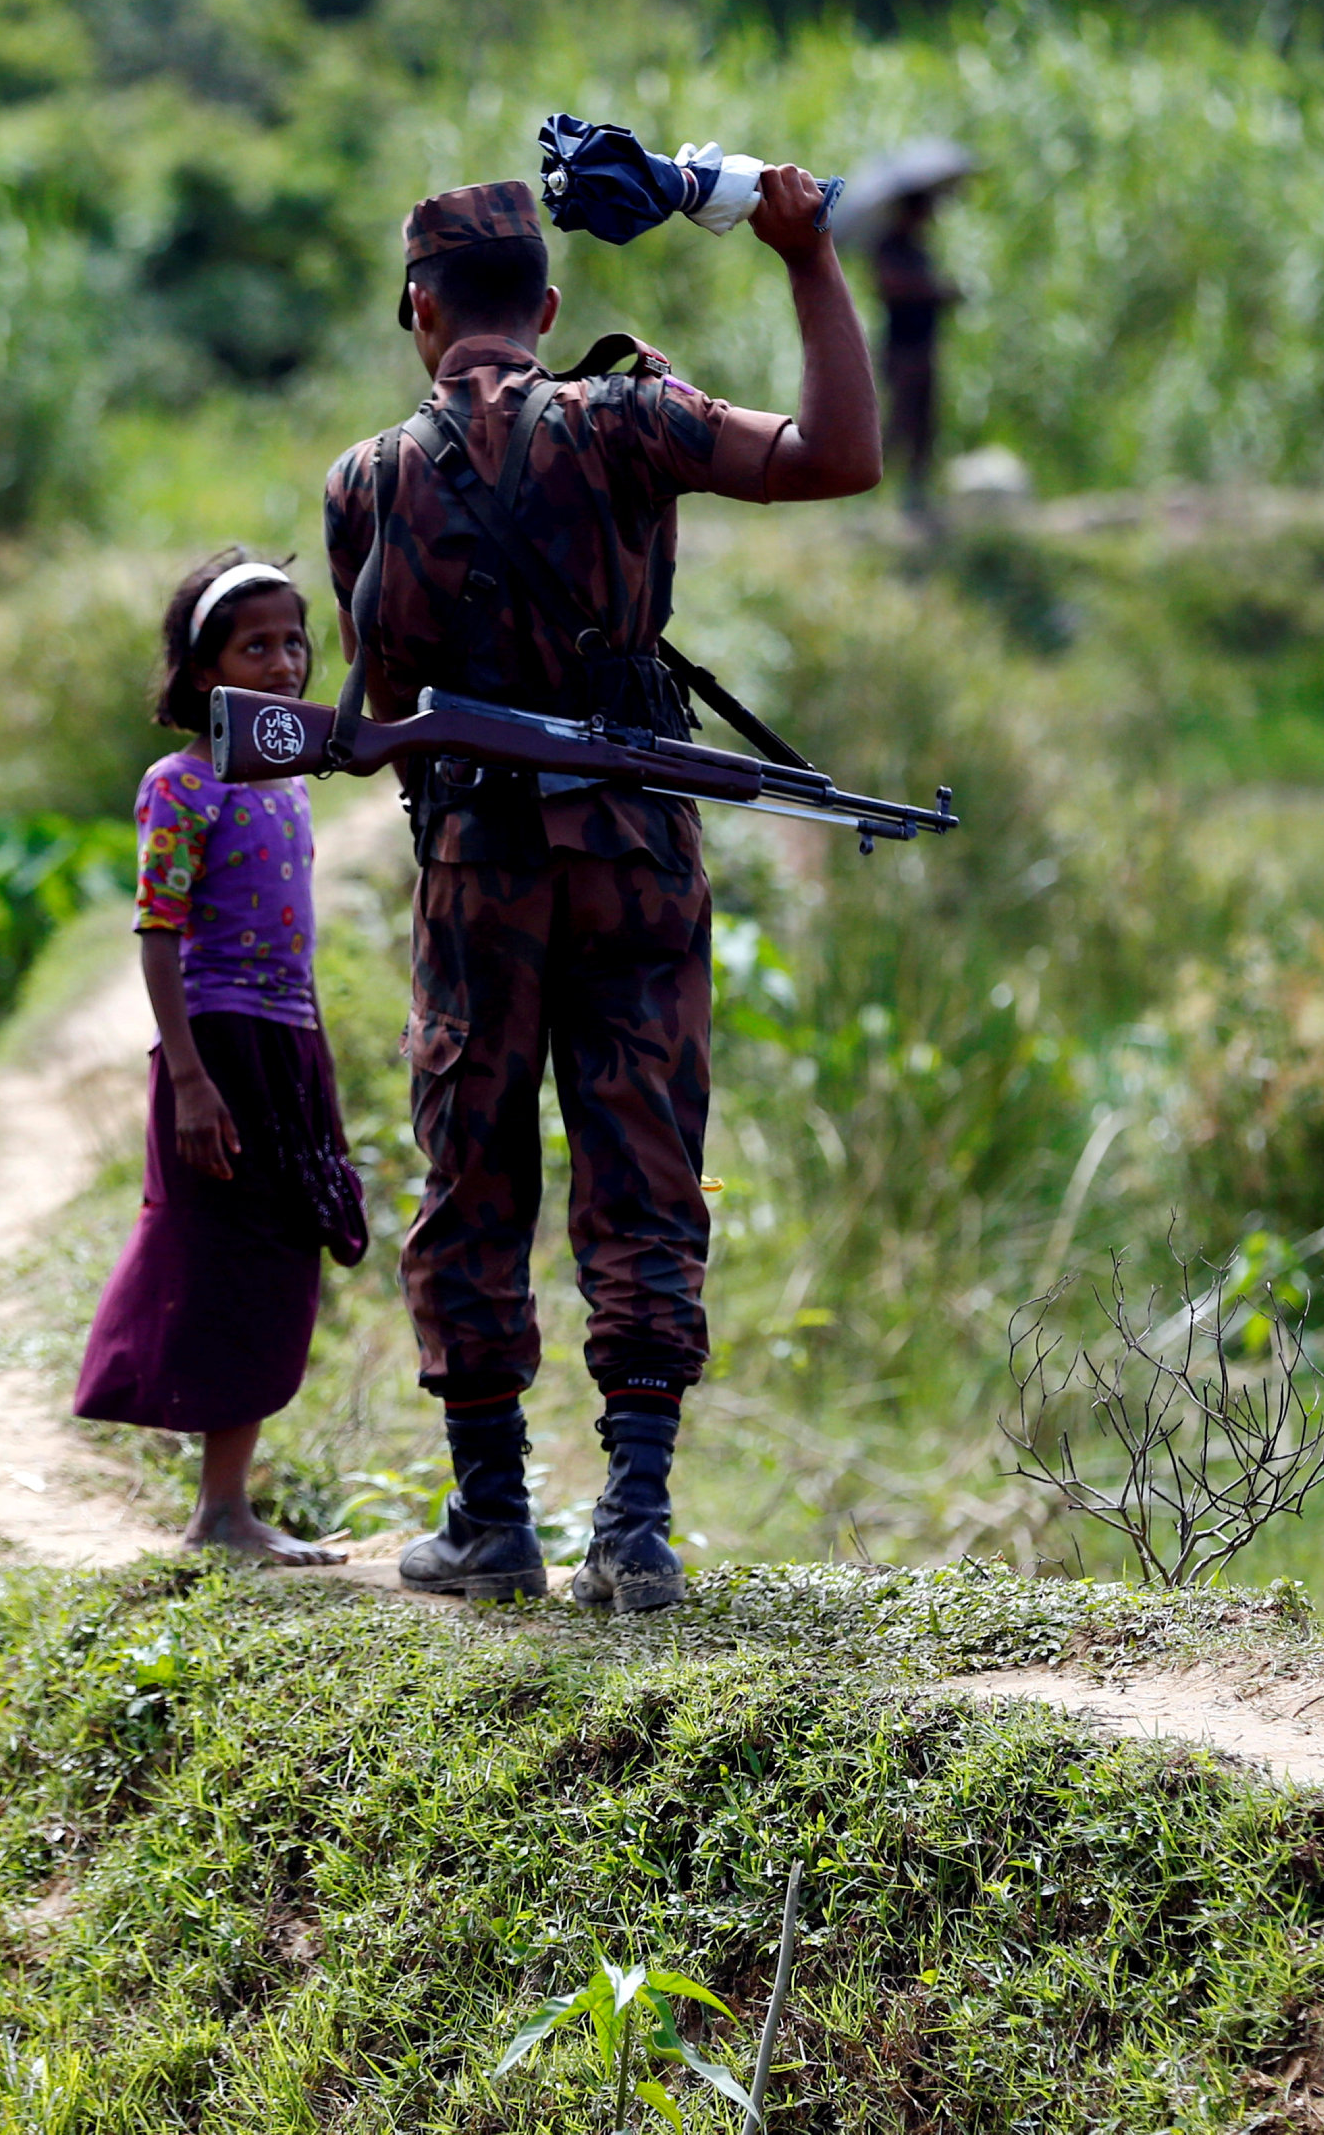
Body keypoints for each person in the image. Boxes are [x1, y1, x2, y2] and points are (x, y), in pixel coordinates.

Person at [322, 170, 878, 1612]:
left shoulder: (366, 478)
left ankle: (492, 1515)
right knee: (644, 1167)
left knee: (472, 1168)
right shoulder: (627, 417)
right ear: (551, 306)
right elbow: (839, 454)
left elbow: (379, 691)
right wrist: (805, 257)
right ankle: (633, 1519)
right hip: (637, 855)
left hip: (474, 871)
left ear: (421, 310)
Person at [73, 551, 371, 1565]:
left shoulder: (285, 782)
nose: (284, 663)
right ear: (205, 672)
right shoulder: (178, 787)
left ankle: (225, 1510)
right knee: (221, 1254)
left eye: (294, 642)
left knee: (280, 1255)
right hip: (217, 1045)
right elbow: (158, 933)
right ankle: (220, 1510)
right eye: (256, 646)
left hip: (288, 1041)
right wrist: (191, 1079)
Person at [869, 189, 960, 519]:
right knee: (899, 419)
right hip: (901, 346)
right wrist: (933, 290)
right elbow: (889, 285)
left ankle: (915, 493)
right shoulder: (889, 245)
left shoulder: (918, 249)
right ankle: (868, 488)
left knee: (925, 423)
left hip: (923, 344)